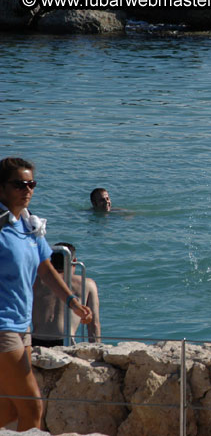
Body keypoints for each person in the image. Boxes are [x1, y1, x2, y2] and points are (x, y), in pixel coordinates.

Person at [0, 157, 92, 431]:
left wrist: (72, 302)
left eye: (31, 184)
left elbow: (47, 270)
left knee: (7, 408)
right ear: (1, 188)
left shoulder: (30, 226)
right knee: (32, 406)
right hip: (2, 326)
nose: (27, 190)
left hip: (22, 325)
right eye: (19, 184)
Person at [32, 242, 101, 348]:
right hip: (65, 342)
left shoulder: (35, 281)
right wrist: (97, 351)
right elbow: (93, 324)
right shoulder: (86, 284)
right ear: (74, 261)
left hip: (35, 341)